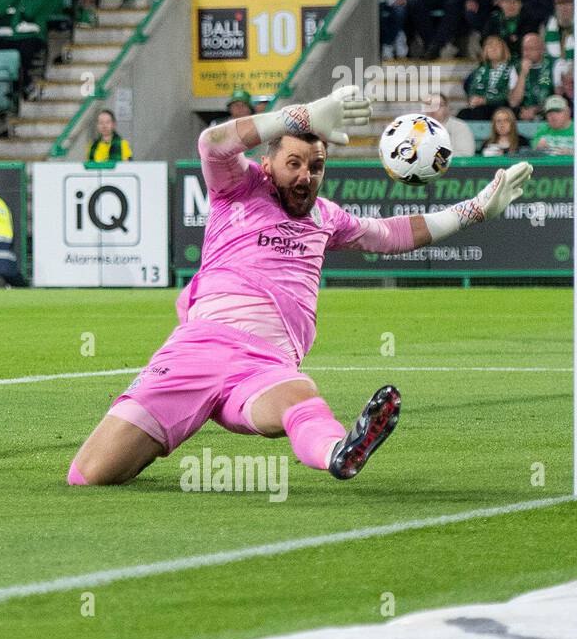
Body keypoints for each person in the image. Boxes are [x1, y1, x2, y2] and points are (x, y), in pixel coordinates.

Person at [67, 86, 534, 486]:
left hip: (267, 365)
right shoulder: (239, 189)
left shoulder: (327, 218)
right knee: (88, 475)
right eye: (294, 163)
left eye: (316, 165)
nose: (305, 176)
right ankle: (157, 431)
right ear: (267, 163)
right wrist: (303, 115)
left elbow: (392, 235)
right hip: (198, 348)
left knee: (301, 400)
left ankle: (340, 453)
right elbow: (212, 144)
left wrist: (475, 210)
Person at [422, 92, 477, 156]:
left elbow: (466, 154)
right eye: (429, 105)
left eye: (438, 105)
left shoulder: (460, 127)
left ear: (447, 108)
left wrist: (434, 157)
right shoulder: (417, 127)